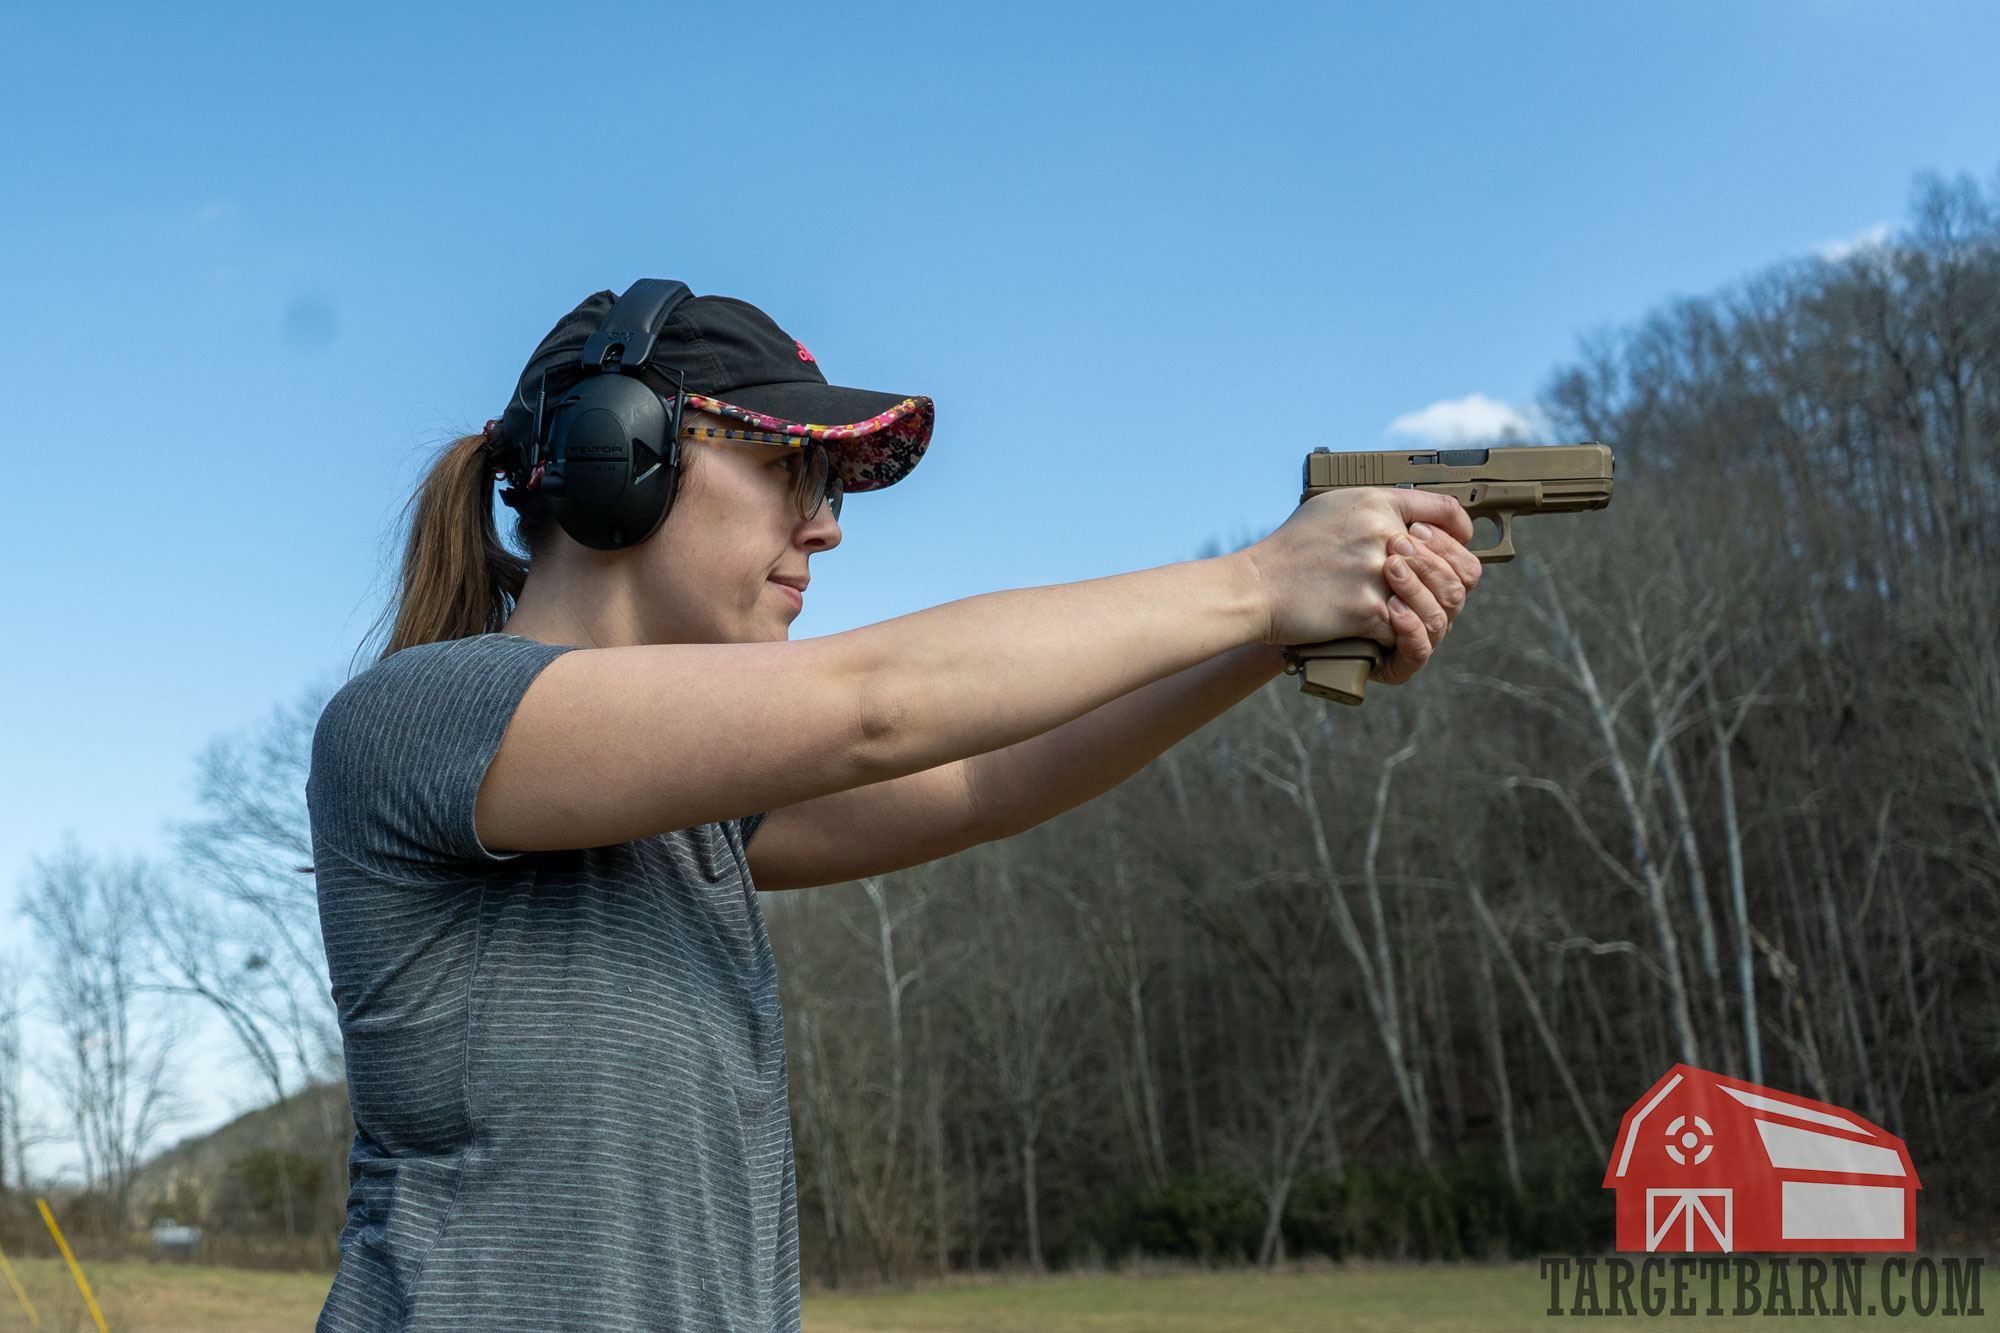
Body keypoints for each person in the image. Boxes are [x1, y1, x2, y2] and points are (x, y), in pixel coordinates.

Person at [306, 282, 1481, 1333]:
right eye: (788, 471)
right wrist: (1257, 580)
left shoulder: (693, 816)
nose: (823, 524)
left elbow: (983, 778)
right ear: (623, 454)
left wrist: (1274, 635)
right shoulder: (422, 718)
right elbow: (875, 705)